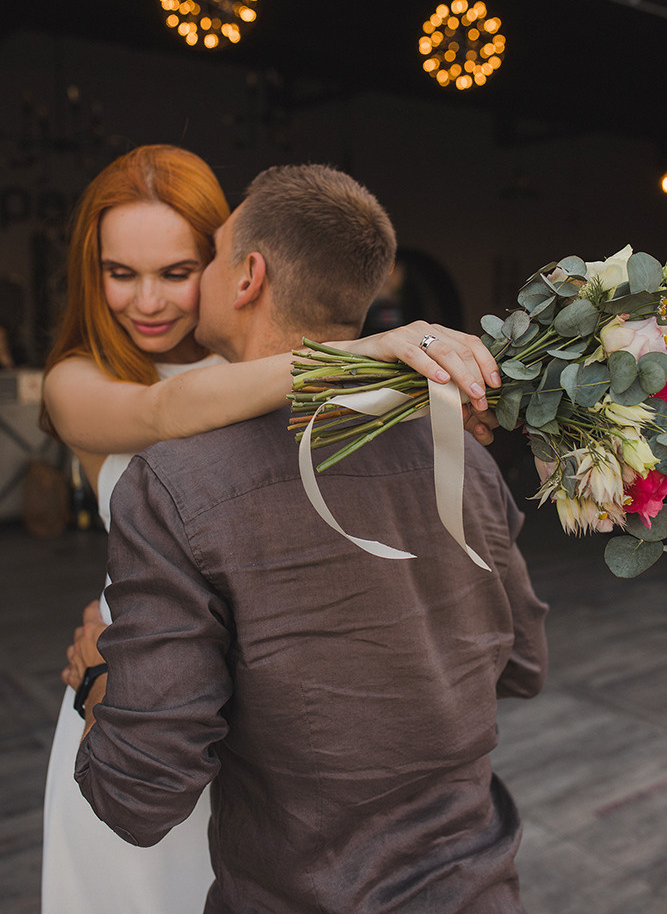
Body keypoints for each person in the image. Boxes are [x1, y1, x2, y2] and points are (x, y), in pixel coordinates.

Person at [72, 163, 547, 914]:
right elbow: (521, 664)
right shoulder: (460, 456)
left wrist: (100, 676)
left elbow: (139, 792)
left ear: (248, 276)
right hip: (478, 889)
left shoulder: (178, 484)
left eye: (209, 254)